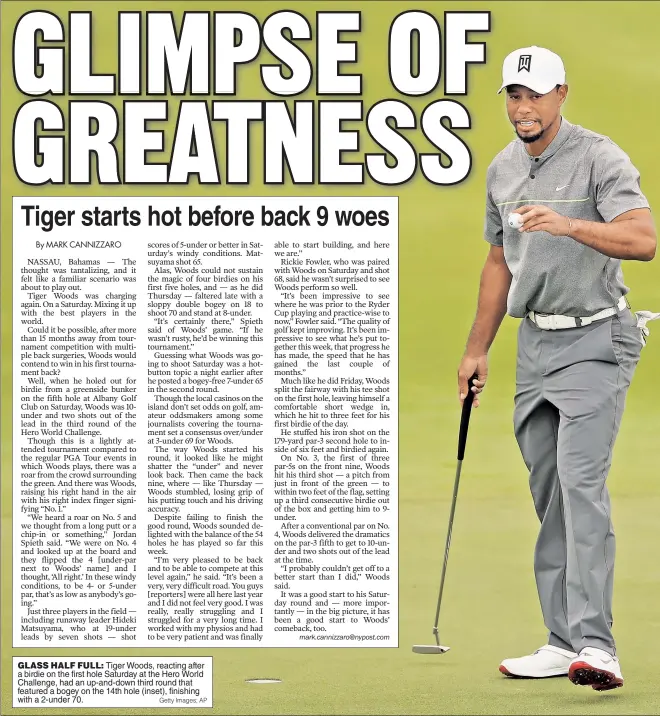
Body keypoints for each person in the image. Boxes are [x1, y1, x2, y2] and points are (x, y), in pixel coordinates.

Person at [457, 45, 658, 691]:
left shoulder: (600, 156)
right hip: (534, 348)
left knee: (579, 487)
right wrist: (477, 348)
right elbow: (499, 263)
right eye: (514, 95)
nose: (523, 107)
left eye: (535, 94)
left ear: (560, 94)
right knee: (549, 498)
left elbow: (644, 240)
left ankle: (599, 649)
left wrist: (570, 226)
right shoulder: (502, 169)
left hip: (597, 338)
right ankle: (562, 639)